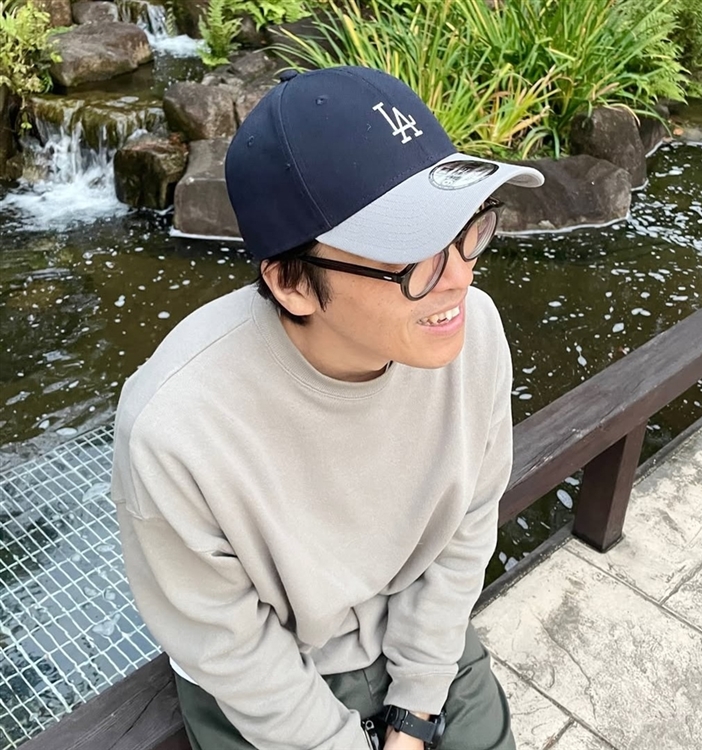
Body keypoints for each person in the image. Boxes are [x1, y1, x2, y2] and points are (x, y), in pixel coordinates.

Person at [111, 65, 543, 750]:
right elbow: (230, 645)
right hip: (269, 679)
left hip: (420, 629)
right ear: (292, 282)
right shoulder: (174, 429)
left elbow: (465, 527)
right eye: (412, 253)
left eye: (465, 227)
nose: (460, 276)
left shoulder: (475, 334)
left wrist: (416, 709)